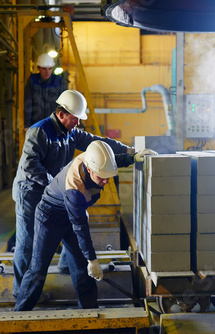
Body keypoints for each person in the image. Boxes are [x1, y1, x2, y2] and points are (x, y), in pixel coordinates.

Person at [12, 89, 136, 299]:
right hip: (31, 192)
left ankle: (66, 267)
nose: (78, 123)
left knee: (70, 226)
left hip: (53, 190)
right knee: (28, 241)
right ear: (62, 114)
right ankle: (20, 291)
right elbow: (31, 166)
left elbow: (99, 143)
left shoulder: (70, 132)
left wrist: (131, 151)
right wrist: (56, 187)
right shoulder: (39, 132)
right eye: (75, 118)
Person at [15, 141, 156, 311]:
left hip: (71, 215)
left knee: (82, 268)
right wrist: (93, 260)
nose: (105, 181)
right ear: (89, 169)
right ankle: (20, 313)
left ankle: (89, 311)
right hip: (49, 218)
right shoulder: (75, 189)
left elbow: (110, 163)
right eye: (101, 177)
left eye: (108, 176)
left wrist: (133, 157)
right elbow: (80, 227)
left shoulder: (93, 161)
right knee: (38, 269)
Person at [24, 53, 67, 129]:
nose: (47, 72)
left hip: (55, 125)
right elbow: (28, 103)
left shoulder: (59, 81)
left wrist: (64, 124)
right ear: (38, 68)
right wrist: (27, 125)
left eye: (50, 68)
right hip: (37, 125)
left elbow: (64, 105)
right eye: (44, 69)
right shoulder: (33, 80)